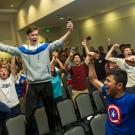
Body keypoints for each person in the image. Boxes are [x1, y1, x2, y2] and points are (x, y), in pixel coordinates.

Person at [0, 20, 73, 135]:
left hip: (46, 83)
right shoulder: (22, 50)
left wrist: (69, 31)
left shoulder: (45, 47)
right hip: (33, 86)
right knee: (29, 114)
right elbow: (7, 48)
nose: (35, 37)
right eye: (32, 35)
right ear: (28, 36)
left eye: (36, 34)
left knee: (50, 111)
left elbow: (58, 43)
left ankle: (53, 132)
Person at [88, 51, 135, 135]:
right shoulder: (108, 92)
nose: (105, 83)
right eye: (106, 80)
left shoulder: (131, 100)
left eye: (108, 81)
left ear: (119, 85)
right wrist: (91, 62)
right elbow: (93, 79)